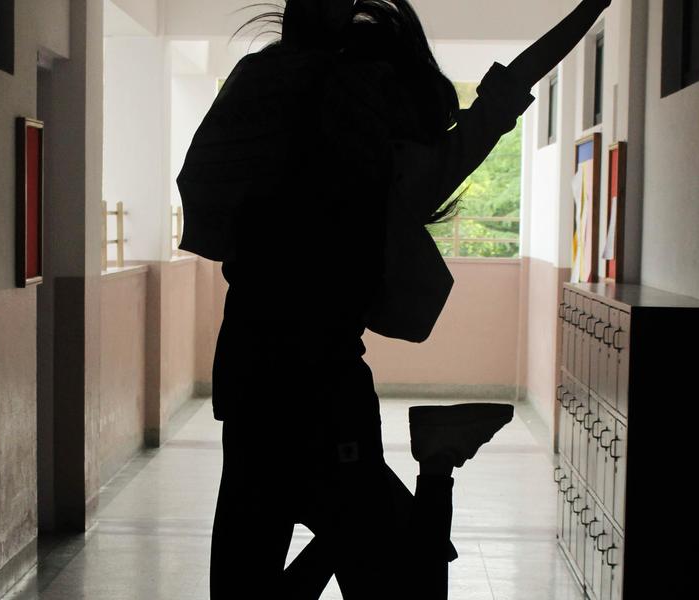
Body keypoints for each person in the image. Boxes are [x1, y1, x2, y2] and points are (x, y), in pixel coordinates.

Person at [176, 1, 613, 597]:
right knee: (387, 576)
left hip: (267, 397)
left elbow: (508, 88)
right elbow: (510, 87)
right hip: (309, 398)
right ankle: (431, 471)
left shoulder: (283, 147)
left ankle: (422, 482)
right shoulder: (384, 164)